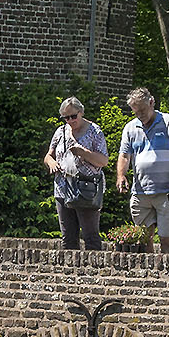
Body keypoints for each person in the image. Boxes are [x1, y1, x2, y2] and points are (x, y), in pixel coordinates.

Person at [116, 87, 169, 253]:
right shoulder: (130, 128)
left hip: (167, 192)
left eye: (142, 110)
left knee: (167, 239)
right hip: (140, 192)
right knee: (142, 240)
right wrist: (121, 176)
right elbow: (124, 156)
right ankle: (148, 275)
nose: (140, 115)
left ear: (151, 102)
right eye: (135, 112)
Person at [43, 97, 109, 250]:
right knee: (68, 237)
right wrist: (51, 162)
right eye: (66, 117)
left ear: (81, 112)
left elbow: (103, 161)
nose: (70, 120)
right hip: (62, 188)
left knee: (90, 235)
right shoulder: (60, 131)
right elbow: (48, 155)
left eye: (73, 116)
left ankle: (94, 270)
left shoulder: (94, 131)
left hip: (87, 189)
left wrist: (84, 153)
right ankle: (70, 271)